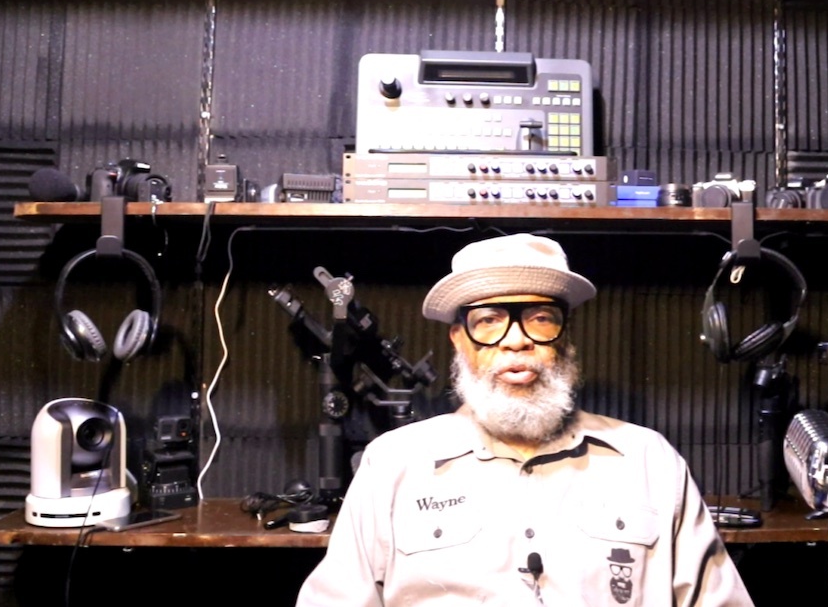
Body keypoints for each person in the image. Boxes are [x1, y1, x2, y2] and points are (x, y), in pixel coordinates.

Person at [296, 233, 754, 606]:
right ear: (460, 340)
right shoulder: (393, 464)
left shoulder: (650, 461)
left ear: (564, 338)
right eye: (490, 320)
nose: (516, 341)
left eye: (539, 318)